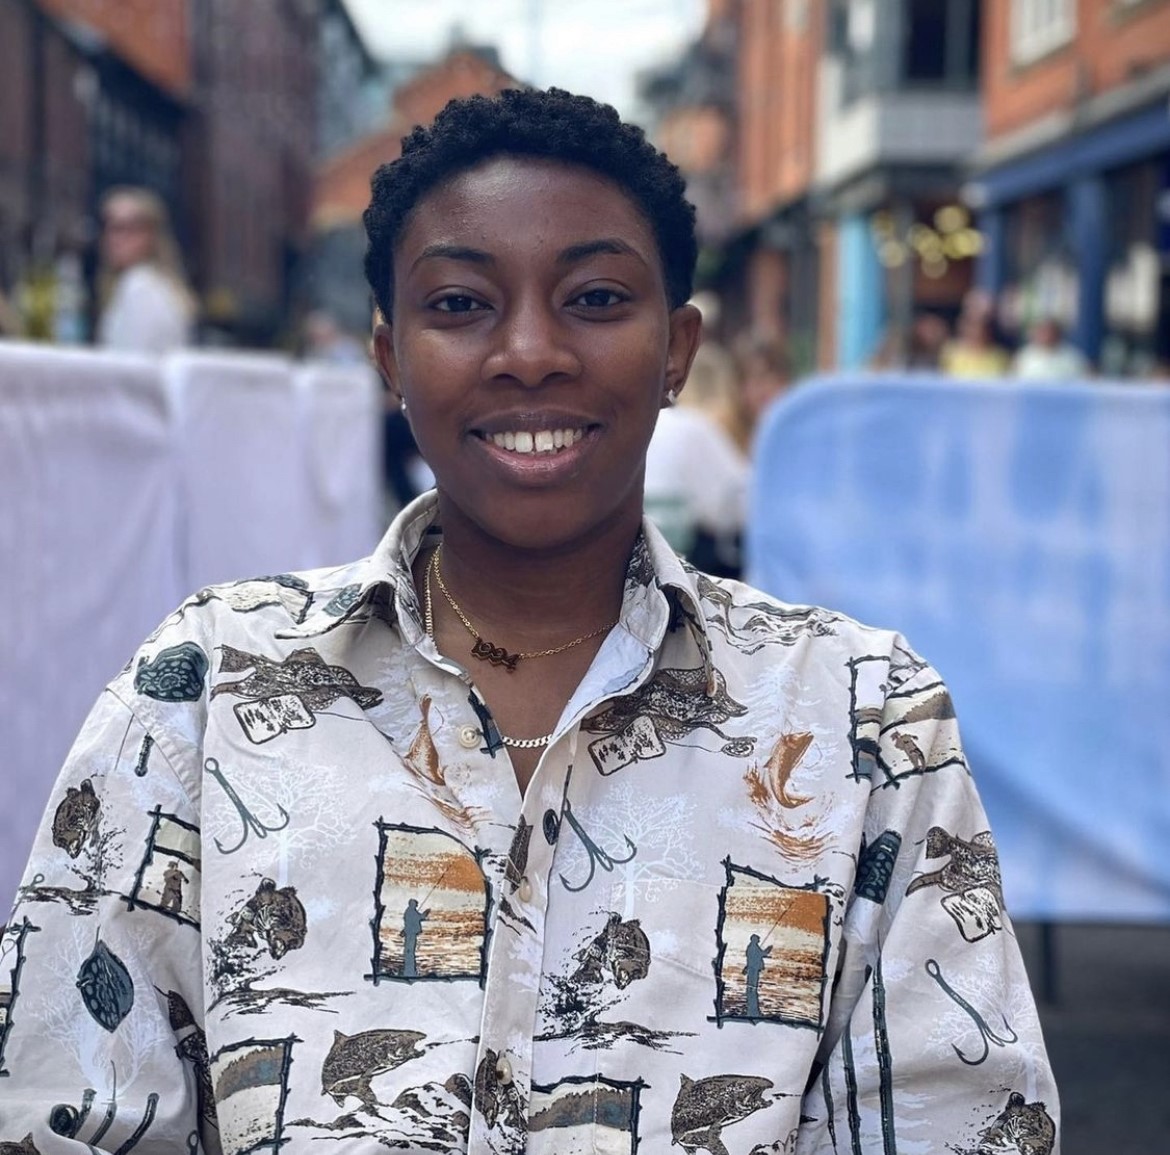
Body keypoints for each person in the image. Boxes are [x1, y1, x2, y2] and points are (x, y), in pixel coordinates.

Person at [0, 88, 1058, 1154]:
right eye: (461, 303)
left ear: (679, 349)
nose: (531, 350)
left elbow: (962, 1123)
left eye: (595, 298)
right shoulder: (206, 686)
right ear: (389, 360)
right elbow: (58, 1107)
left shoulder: (864, 721)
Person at [96, 186, 195, 354]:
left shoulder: (140, 286)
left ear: (149, 235)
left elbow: (130, 360)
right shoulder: (155, 283)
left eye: (124, 228)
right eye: (109, 227)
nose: (114, 239)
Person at [1012, 316, 1089, 381]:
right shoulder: (1024, 356)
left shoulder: (1073, 357)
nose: (1047, 336)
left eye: (1050, 332)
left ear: (1058, 334)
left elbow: (1084, 380)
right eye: (1043, 332)